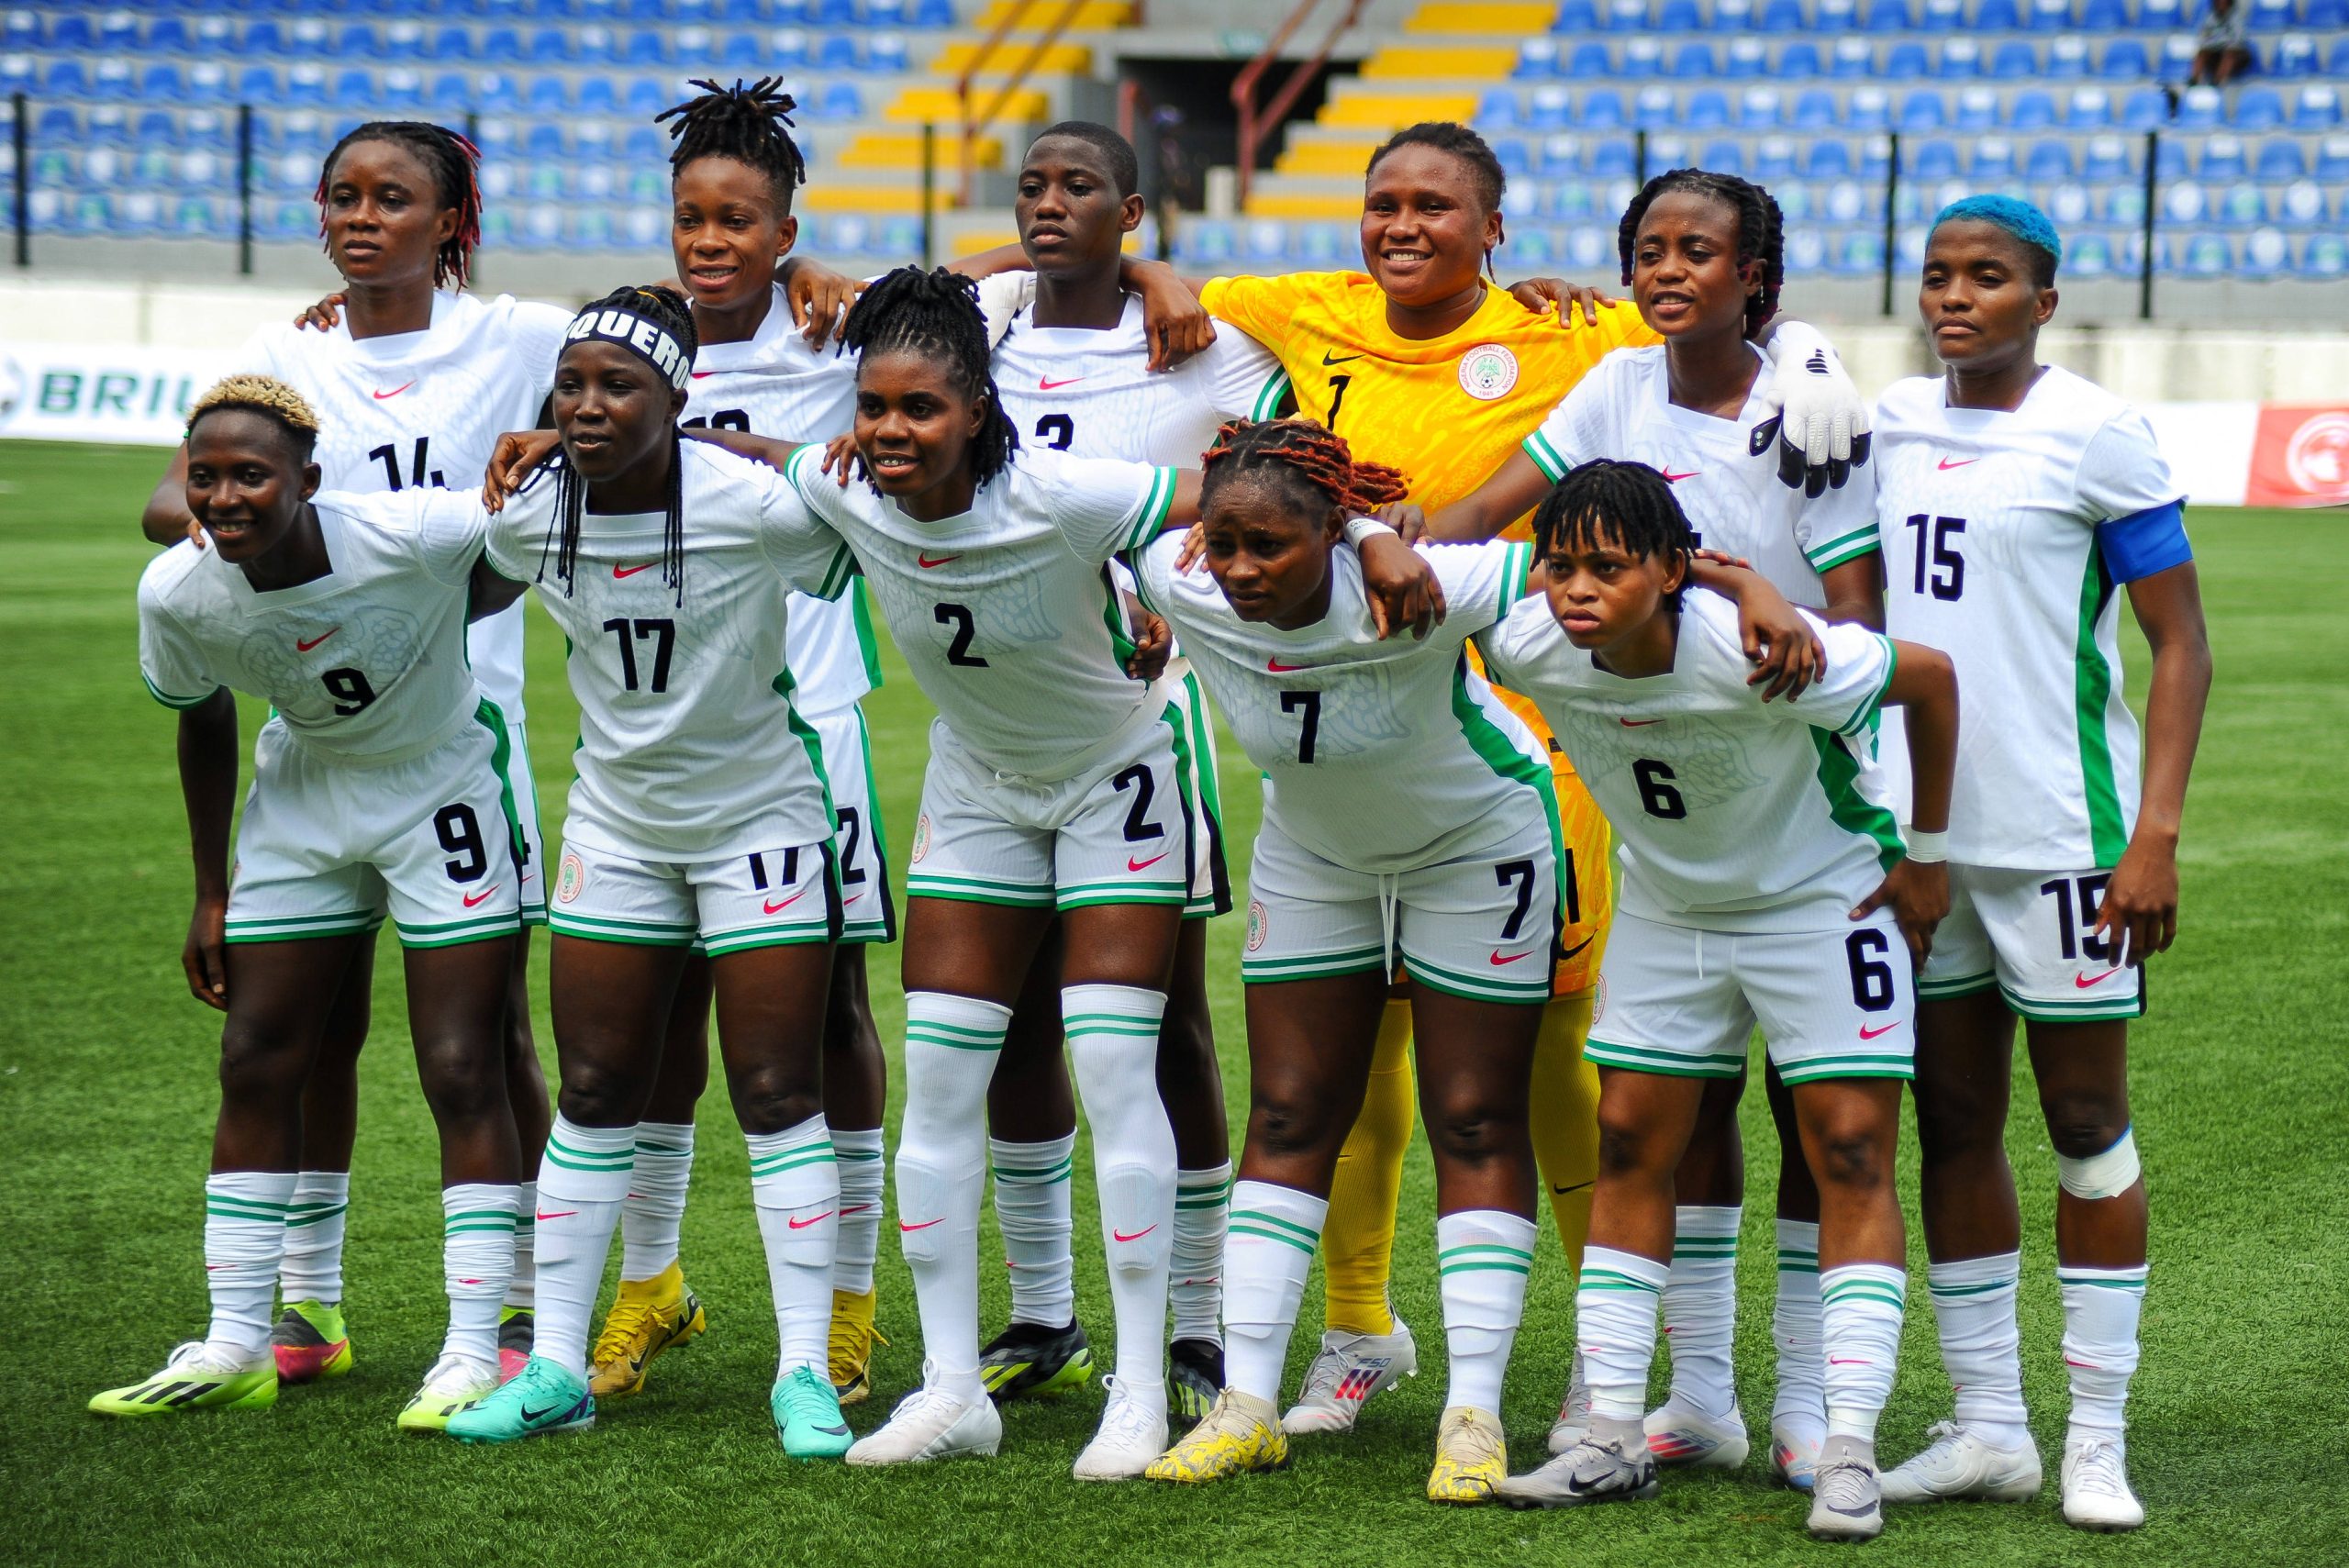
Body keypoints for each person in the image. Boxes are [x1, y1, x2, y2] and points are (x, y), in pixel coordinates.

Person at [551, 267, 1434, 1477]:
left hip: (1110, 780)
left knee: (1119, 1069)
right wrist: (556, 445)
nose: (890, 431)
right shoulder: (847, 483)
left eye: (920, 408)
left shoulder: (1065, 492)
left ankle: (1137, 1387)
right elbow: (728, 450)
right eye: (872, 407)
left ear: (977, 406)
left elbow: (1242, 491)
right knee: (943, 1090)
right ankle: (953, 1388)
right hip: (978, 795)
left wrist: (1375, 532)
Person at [1125, 122, 1861, 1439]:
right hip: (1357, 721)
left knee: (1553, 1063)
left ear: (1497, 227)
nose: (1402, 228)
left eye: (1435, 207)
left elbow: (1720, 331)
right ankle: (1357, 1334)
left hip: (1536, 735)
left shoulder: (1579, 341)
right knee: (1358, 1072)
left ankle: (1603, 1359)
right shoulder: (1316, 311)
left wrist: (1810, 352)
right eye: (1383, 204)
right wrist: (1162, 278)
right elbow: (1113, 270)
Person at [1419, 167, 1888, 1487]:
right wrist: (1393, 545)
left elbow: (1859, 613)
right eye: (1646, 250)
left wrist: (1763, 609)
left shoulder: (1813, 402)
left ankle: (1810, 1410)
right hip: (1675, 806)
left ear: (1756, 274)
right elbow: (1505, 507)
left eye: (1697, 251)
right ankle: (1691, 1401)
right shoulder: (1621, 383)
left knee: (1821, 1127)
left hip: (1800, 780)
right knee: (1674, 1119)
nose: (1667, 270)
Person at [136, 120, 556, 1386]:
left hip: (466, 723)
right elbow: (177, 497)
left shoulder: (520, 339)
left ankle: (522, 1303)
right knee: (306, 1031)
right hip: (312, 717)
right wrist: (271, 510)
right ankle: (303, 1309)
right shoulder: (285, 355)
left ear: (452, 218)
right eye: (342, 198)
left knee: (487, 1043)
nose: (362, 217)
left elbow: (648, 365)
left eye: (393, 197)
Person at [1471, 459, 1960, 1543]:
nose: (1576, 589)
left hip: (1819, 902)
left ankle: (1846, 1447)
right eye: (1559, 566)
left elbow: (1930, 678)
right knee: (1632, 1139)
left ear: (1670, 570)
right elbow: (1426, 566)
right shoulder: (1525, 640)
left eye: (1607, 565)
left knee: (1847, 1152)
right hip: (1670, 911)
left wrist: (1929, 853)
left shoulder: (1766, 651)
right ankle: (1608, 1435)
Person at [443, 287, 863, 1459]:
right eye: (571, 383)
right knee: (592, 1087)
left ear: (677, 398)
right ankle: (560, 1368)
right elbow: (459, 571)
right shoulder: (529, 517)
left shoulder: (753, 507)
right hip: (619, 826)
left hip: (760, 820)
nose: (586, 404)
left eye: (618, 386)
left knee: (777, 1090)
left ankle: (800, 1373)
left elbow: (857, 548)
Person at [1127, 420, 1558, 1503]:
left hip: (1478, 842)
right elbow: (1088, 519)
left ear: (1329, 528)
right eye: (1220, 541)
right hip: (1314, 854)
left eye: (1267, 544)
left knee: (1473, 1114)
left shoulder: (1432, 581)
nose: (1237, 568)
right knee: (1286, 1113)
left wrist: (1379, 530)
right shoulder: (1180, 581)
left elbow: (1600, 561)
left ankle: (1472, 1411)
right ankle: (1250, 1405)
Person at [95, 375, 529, 1430]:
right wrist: (211, 891)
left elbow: (513, 548)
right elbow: (200, 721)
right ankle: (239, 1336)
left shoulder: (411, 530)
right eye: (207, 477)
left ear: (309, 480)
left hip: (441, 782)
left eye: (252, 475)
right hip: (301, 790)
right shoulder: (178, 591)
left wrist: (543, 445)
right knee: (256, 1055)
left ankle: (485, 1343)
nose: (226, 497)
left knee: (464, 1063)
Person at [1870, 196, 2210, 1533]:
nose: (1958, 297)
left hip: (2068, 848)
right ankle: (1990, 1428)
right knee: (1951, 1121)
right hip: (1928, 844)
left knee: (2082, 1123)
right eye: (1942, 276)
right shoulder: (1887, 423)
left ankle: (2097, 1437)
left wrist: (2156, 836)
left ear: (2043, 302)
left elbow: (2179, 640)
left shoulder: (2099, 433)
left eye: (1990, 278)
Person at [573, 77, 900, 1415]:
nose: (708, 240)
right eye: (691, 217)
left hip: (810, 726)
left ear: (785, 228)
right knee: (653, 1020)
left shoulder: (836, 336)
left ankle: (845, 1305)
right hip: (657, 750)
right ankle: (650, 1286)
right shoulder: (620, 345)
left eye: (740, 220)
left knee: (824, 1019)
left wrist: (835, 274)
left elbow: (981, 293)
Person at [964, 120, 1286, 1418]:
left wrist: (1170, 286)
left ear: (1136, 210)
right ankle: (1042, 1312)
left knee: (1167, 1022)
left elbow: (1265, 475)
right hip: (995, 713)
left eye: (1079, 187)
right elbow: (914, 296)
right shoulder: (978, 326)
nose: (1048, 204)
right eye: (1033, 185)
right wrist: (1070, 258)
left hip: (1142, 709)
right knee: (1011, 1018)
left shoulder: (1212, 348)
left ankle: (1198, 1320)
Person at [2188, 0, 2254, 86]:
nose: (2221, 5)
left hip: (2236, 55)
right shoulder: (2210, 17)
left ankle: (2217, 81)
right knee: (2203, 52)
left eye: (2223, 3)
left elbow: (2238, 40)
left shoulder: (2236, 18)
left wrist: (2219, 42)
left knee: (2230, 52)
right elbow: (2204, 37)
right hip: (2216, 51)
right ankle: (2194, 80)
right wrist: (2216, 43)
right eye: (2218, 2)